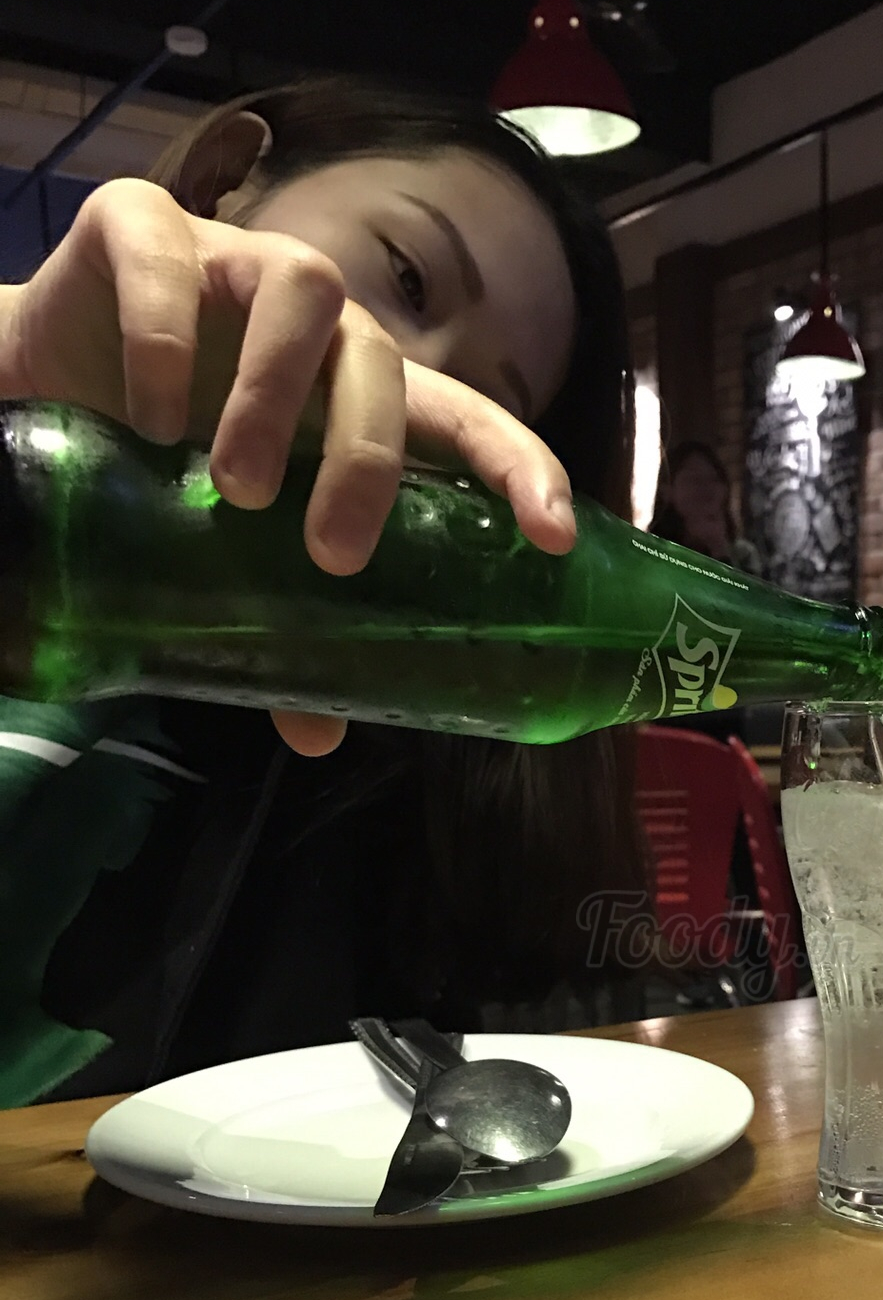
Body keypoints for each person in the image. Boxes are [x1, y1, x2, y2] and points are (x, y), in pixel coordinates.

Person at [0, 76, 673, 1107]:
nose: (410, 379)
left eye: (486, 399)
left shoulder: (411, 787)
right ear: (225, 179)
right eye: (407, 277)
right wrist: (14, 360)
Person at [649, 441, 762, 575]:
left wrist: (718, 548)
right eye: (694, 480)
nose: (706, 488)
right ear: (666, 490)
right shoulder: (651, 546)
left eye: (714, 479)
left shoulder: (743, 554)